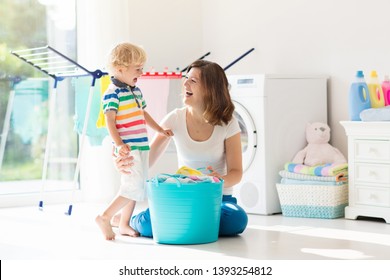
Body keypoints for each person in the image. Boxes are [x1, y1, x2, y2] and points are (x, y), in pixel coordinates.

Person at [113, 59, 248, 237]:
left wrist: (219, 180)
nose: (185, 83)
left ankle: (188, 223)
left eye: (193, 80)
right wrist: (125, 164)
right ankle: (130, 220)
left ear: (211, 89)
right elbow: (147, 159)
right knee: (147, 226)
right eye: (186, 78)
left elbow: (236, 173)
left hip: (216, 199)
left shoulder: (228, 122)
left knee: (236, 219)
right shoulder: (175, 119)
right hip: (185, 198)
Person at [95, 42, 173, 240]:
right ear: (120, 69)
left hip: (141, 144)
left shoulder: (135, 91)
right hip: (127, 148)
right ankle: (105, 217)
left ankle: (123, 223)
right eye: (137, 69)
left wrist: (160, 130)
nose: (142, 72)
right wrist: (119, 145)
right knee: (132, 186)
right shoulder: (112, 92)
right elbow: (110, 121)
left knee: (137, 188)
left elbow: (143, 114)